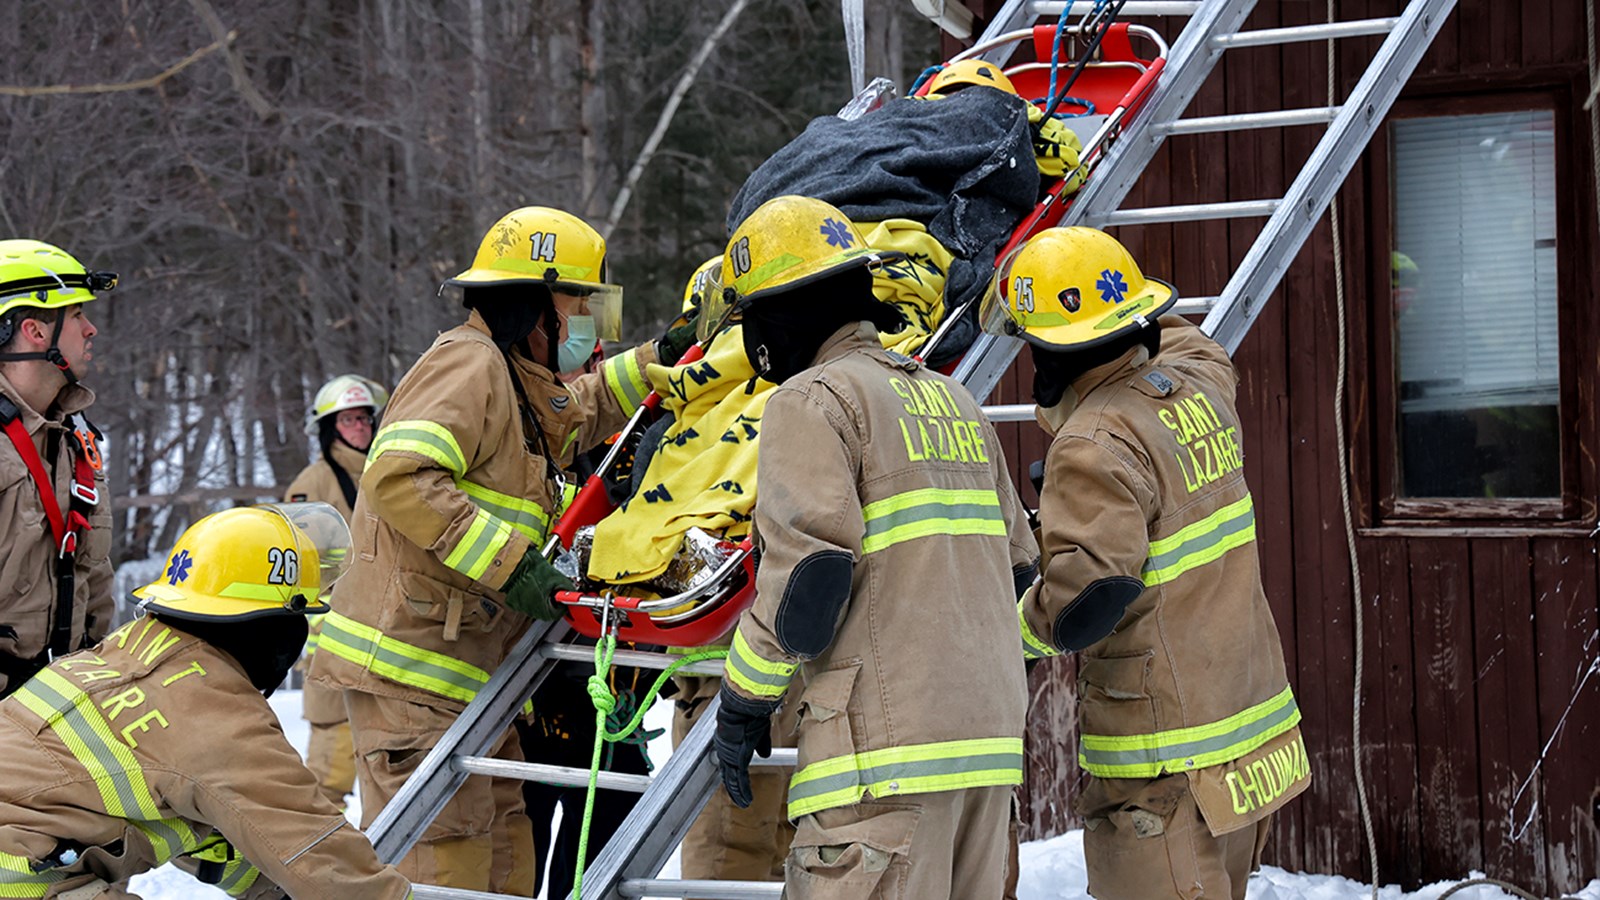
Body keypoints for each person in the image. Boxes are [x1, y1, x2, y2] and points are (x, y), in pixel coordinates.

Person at [308, 206, 697, 893]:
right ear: (538, 301)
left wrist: (660, 358)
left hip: (472, 691)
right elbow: (401, 475)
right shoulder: (468, 362)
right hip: (415, 688)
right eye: (583, 304)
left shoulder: (515, 380)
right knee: (449, 878)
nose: (588, 326)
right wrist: (516, 568)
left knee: (510, 868)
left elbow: (577, 411)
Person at [711, 196, 1040, 899]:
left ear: (780, 312)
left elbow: (812, 579)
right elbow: (1020, 572)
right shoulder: (956, 404)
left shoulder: (812, 400)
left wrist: (742, 697)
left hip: (881, 766)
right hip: (985, 757)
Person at [987, 227, 1309, 900]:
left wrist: (1012, 621)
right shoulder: (1198, 387)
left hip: (1163, 760)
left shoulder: (1091, 443)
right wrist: (1109, 292)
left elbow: (1087, 599)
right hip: (1245, 744)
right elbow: (1186, 339)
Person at [0, 502, 412, 900]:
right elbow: (321, 853)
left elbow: (207, 822)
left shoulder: (125, 649)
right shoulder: (221, 717)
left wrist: (270, 889)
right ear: (274, 627)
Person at [0, 240, 115, 701]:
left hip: (62, 709)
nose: (91, 330)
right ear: (34, 330)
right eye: (78, 315)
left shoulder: (72, 437)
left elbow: (95, 576)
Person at [283, 374, 389, 809]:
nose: (360, 427)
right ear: (330, 429)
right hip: (334, 650)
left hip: (391, 644)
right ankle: (313, 865)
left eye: (364, 418)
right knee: (329, 777)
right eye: (348, 420)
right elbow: (299, 571)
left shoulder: (389, 473)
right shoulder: (312, 486)